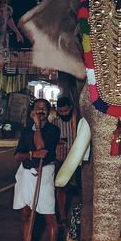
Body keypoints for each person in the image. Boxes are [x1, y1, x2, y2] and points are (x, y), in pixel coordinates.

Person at [12, 98, 59, 241]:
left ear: (48, 111)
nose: (40, 111)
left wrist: (38, 128)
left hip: (44, 172)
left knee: (48, 216)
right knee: (25, 214)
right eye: (37, 108)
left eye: (44, 108)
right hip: (26, 173)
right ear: (33, 111)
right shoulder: (25, 131)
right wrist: (32, 154)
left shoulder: (53, 130)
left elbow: (43, 148)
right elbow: (18, 155)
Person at [51, 95, 78, 226]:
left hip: (76, 160)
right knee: (61, 188)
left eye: (66, 111)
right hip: (60, 159)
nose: (64, 114)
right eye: (61, 111)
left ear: (71, 108)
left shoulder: (77, 121)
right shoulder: (55, 123)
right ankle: (62, 216)